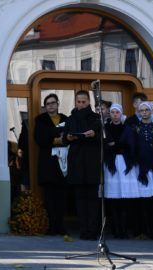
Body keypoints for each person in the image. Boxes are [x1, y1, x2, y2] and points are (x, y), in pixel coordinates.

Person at [121, 100, 153, 240]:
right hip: (141, 166)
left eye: (147, 110)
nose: (144, 113)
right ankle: (145, 229)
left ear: (151, 112)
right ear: (138, 112)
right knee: (143, 199)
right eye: (142, 110)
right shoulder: (134, 128)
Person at [63, 90, 101, 240]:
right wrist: (68, 137)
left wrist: (95, 135)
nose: (81, 104)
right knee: (79, 198)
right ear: (75, 102)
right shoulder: (70, 119)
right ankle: (83, 229)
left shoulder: (96, 118)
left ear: (89, 102)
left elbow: (103, 139)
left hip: (92, 161)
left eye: (84, 101)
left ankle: (93, 230)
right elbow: (65, 139)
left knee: (92, 198)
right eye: (78, 102)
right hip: (77, 161)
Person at [34, 93, 68, 236]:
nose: (51, 105)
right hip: (48, 164)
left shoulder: (66, 119)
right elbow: (39, 139)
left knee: (61, 197)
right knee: (49, 198)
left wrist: (58, 136)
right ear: (45, 106)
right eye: (48, 104)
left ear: (58, 103)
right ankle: (51, 227)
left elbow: (69, 136)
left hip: (63, 163)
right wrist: (56, 137)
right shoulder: (40, 119)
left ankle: (61, 226)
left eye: (53, 103)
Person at [103, 103, 138, 239]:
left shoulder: (127, 128)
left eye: (117, 112)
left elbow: (130, 146)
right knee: (113, 198)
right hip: (111, 163)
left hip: (124, 163)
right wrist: (118, 146)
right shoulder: (106, 128)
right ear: (110, 114)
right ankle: (116, 229)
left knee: (124, 198)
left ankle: (123, 229)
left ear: (121, 113)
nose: (115, 115)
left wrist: (116, 145)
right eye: (112, 112)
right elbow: (105, 145)